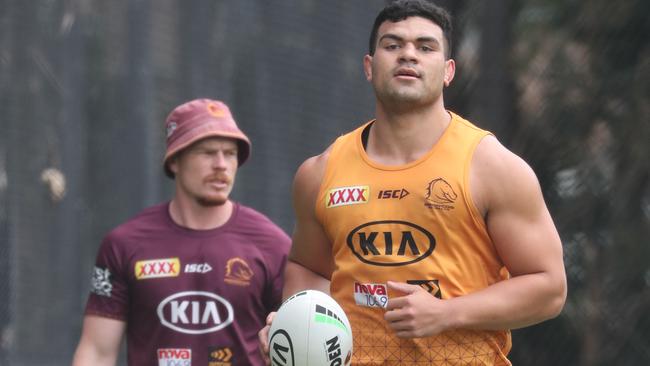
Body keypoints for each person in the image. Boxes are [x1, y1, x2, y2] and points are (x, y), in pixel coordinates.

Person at [259, 1, 567, 365]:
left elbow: (549, 288)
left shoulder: (492, 167)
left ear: (449, 71)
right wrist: (297, 324)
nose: (408, 54)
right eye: (392, 45)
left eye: (425, 47)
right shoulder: (320, 172)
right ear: (369, 67)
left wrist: (446, 313)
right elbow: (308, 268)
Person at [73, 98, 291, 366]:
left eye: (230, 153)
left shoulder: (274, 245)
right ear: (174, 160)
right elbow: (97, 352)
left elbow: (301, 342)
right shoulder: (123, 245)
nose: (221, 164)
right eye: (208, 152)